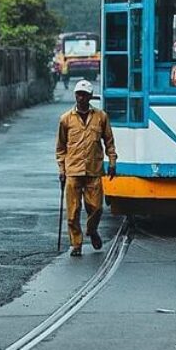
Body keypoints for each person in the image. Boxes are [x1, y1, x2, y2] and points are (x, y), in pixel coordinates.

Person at [55, 79, 118, 257]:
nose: (80, 98)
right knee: (73, 212)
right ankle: (76, 244)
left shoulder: (101, 117)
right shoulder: (65, 119)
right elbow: (60, 147)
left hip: (94, 169)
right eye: (78, 94)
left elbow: (109, 142)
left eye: (84, 95)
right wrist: (61, 169)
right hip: (73, 170)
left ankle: (92, 230)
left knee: (96, 207)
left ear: (90, 97)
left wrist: (112, 161)